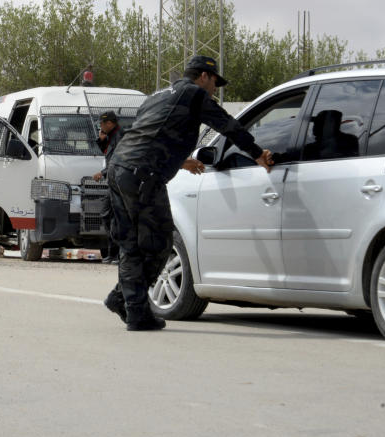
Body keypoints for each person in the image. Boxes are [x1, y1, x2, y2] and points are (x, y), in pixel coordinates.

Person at [103, 55, 274, 331]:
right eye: (215, 83)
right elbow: (227, 125)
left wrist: (182, 161)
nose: (215, 90)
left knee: (130, 243)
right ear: (204, 76)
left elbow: (147, 136)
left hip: (120, 170)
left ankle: (125, 301)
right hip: (143, 175)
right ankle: (132, 308)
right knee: (158, 244)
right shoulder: (192, 93)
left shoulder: (156, 96)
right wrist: (257, 154)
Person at [92, 111, 124, 264]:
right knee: (107, 216)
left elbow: (118, 161)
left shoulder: (120, 137)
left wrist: (102, 172)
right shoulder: (112, 136)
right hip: (113, 182)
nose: (100, 126)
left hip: (119, 183)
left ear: (110, 123)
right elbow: (108, 153)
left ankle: (116, 255)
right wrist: (101, 140)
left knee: (115, 218)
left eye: (102, 124)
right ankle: (112, 254)